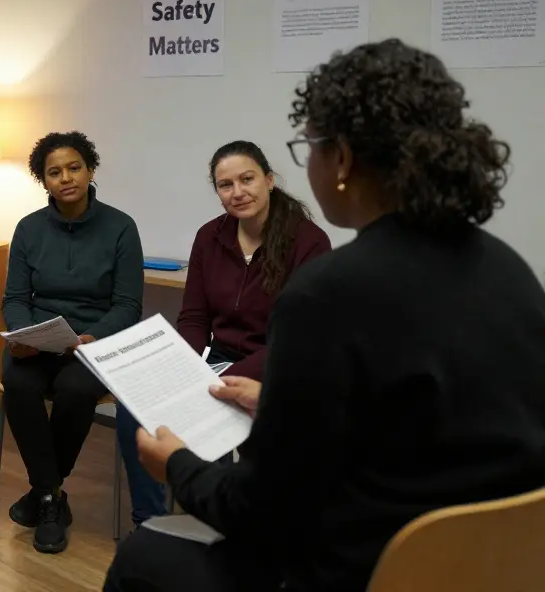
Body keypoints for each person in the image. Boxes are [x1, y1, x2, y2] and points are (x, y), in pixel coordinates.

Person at [106, 39, 545, 592]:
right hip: (495, 567)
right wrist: (277, 406)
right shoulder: (508, 269)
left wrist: (175, 465)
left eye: (307, 147)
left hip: (365, 569)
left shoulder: (325, 293)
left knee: (143, 558)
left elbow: (260, 513)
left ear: (341, 160)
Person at [1, 131, 154, 554]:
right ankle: (52, 497)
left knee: (74, 390)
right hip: (38, 338)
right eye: (54, 172)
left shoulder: (121, 227)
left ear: (90, 170)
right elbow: (14, 298)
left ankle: (43, 496)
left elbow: (127, 304)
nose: (65, 178)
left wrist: (93, 336)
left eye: (74, 168)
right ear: (43, 181)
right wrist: (22, 333)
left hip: (92, 343)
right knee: (18, 384)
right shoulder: (29, 228)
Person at [178, 141, 331, 380]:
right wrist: (183, 368)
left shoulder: (309, 242)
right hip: (220, 362)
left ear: (269, 181)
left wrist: (225, 381)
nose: (237, 192)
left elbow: (298, 336)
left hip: (282, 366)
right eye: (225, 185)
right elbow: (194, 317)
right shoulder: (209, 236)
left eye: (247, 179)